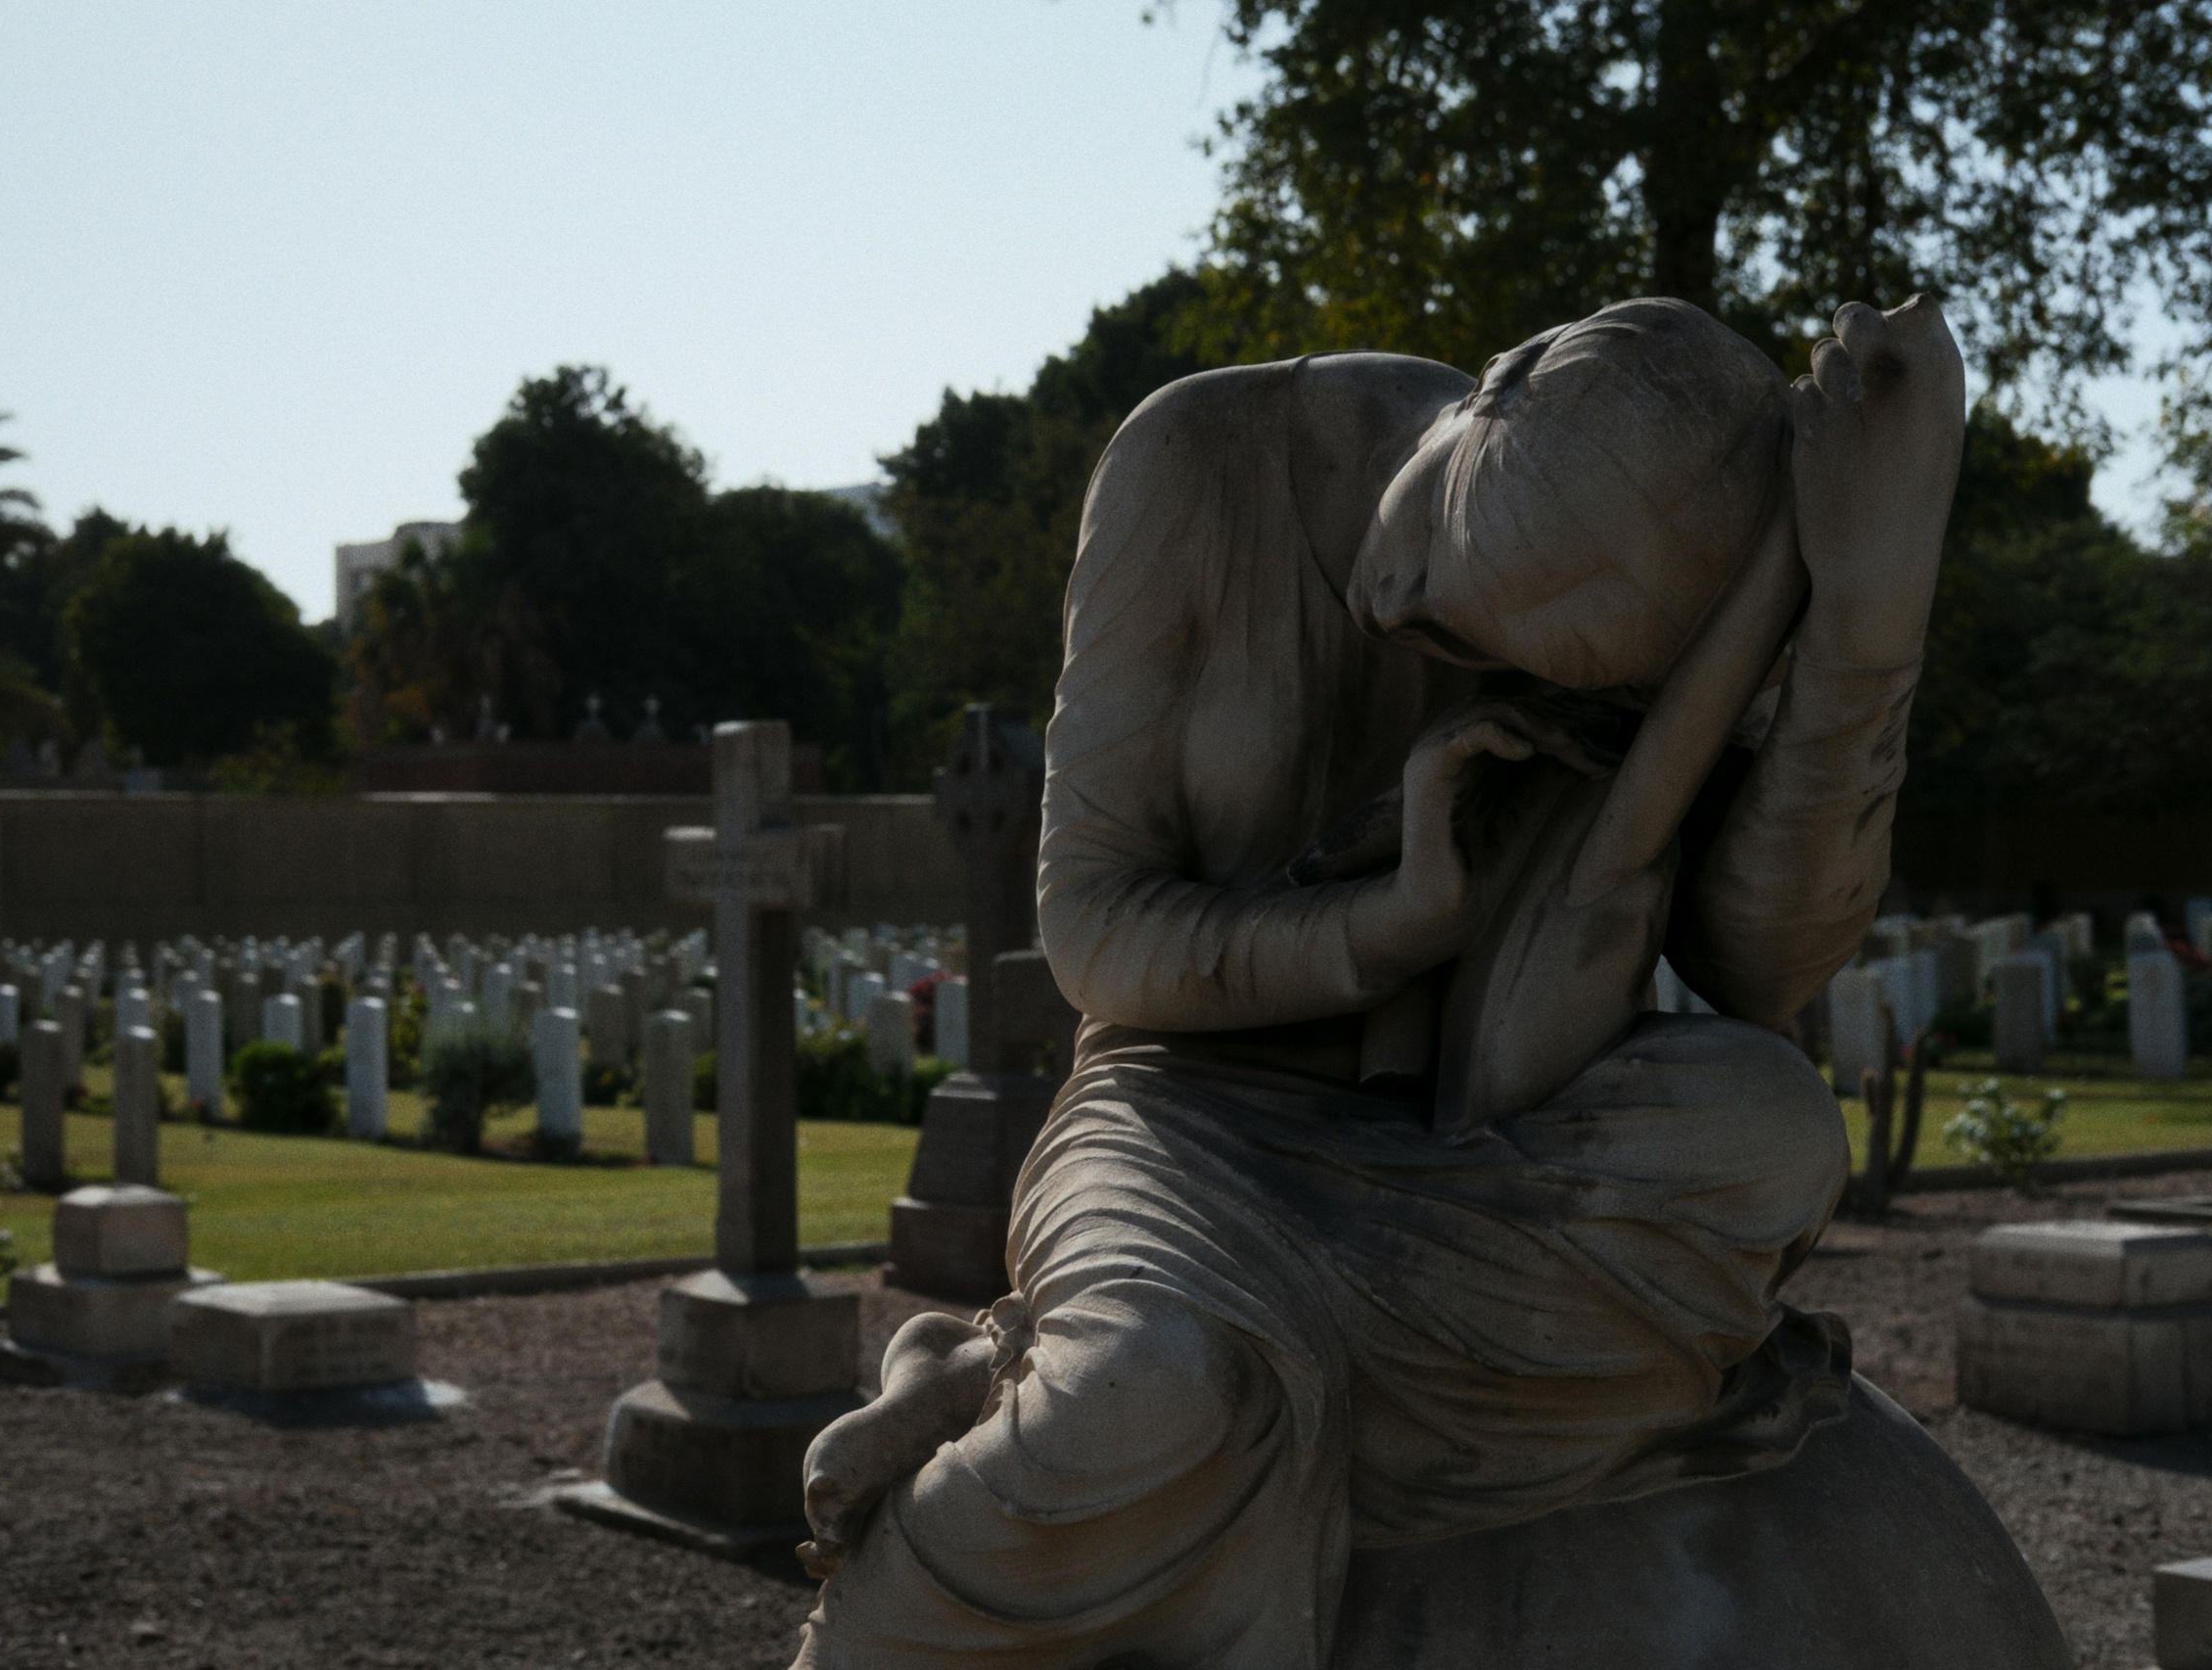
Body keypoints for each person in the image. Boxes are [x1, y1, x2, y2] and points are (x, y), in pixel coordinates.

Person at [791, 297, 1965, 1668]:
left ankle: (1010, 1372)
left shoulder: (1671, 581)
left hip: (1477, 1135)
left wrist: (1864, 638)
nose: (1400, 605)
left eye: (1483, 649)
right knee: (1158, 1393)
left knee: (1770, 1129)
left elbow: (1749, 963)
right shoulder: (1193, 463)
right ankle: (888, 1606)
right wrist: (1390, 922)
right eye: (1432, 550)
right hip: (1188, 1117)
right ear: (1498, 384)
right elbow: (1095, 934)